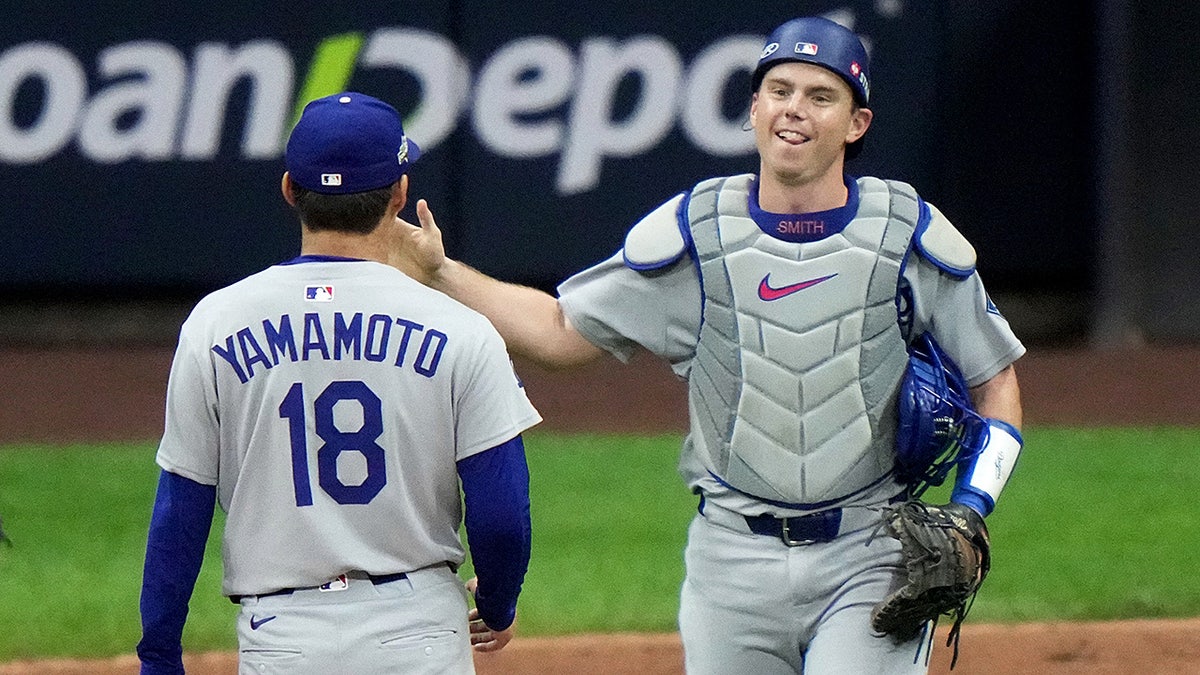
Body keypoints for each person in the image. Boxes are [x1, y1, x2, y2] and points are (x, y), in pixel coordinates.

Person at [394, 16, 1024, 675]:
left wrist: (972, 508)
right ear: (753, 109)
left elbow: (995, 378)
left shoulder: (907, 234)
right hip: (732, 560)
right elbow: (559, 331)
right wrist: (441, 271)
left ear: (856, 123)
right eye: (779, 90)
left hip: (872, 550)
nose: (794, 109)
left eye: (820, 96)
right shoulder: (698, 232)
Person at [137, 92, 542, 674]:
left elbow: (181, 509)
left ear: (289, 189)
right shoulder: (461, 328)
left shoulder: (215, 323)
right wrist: (498, 603)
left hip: (282, 639)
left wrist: (158, 655)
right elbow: (501, 511)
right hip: (419, 632)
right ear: (400, 193)